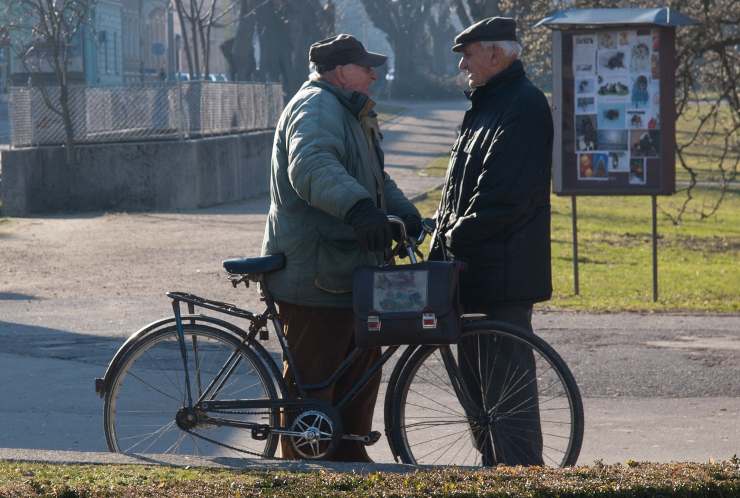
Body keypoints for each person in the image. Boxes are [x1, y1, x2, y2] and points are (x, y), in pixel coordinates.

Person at [260, 34, 421, 462]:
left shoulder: (348, 111)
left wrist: (407, 215)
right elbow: (311, 166)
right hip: (316, 272)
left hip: (348, 270)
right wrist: (359, 210)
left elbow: (375, 179)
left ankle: (349, 453)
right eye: (365, 66)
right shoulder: (316, 107)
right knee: (316, 379)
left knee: (360, 368)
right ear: (339, 71)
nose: (374, 73)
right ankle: (303, 467)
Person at [430, 17, 553, 466]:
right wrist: (439, 229)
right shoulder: (486, 104)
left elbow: (503, 195)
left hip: (503, 273)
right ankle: (494, 471)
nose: (462, 64)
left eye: (468, 53)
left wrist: (451, 233)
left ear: (496, 54)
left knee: (506, 394)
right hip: (474, 270)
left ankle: (521, 476)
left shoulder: (522, 105)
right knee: (480, 395)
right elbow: (460, 188)